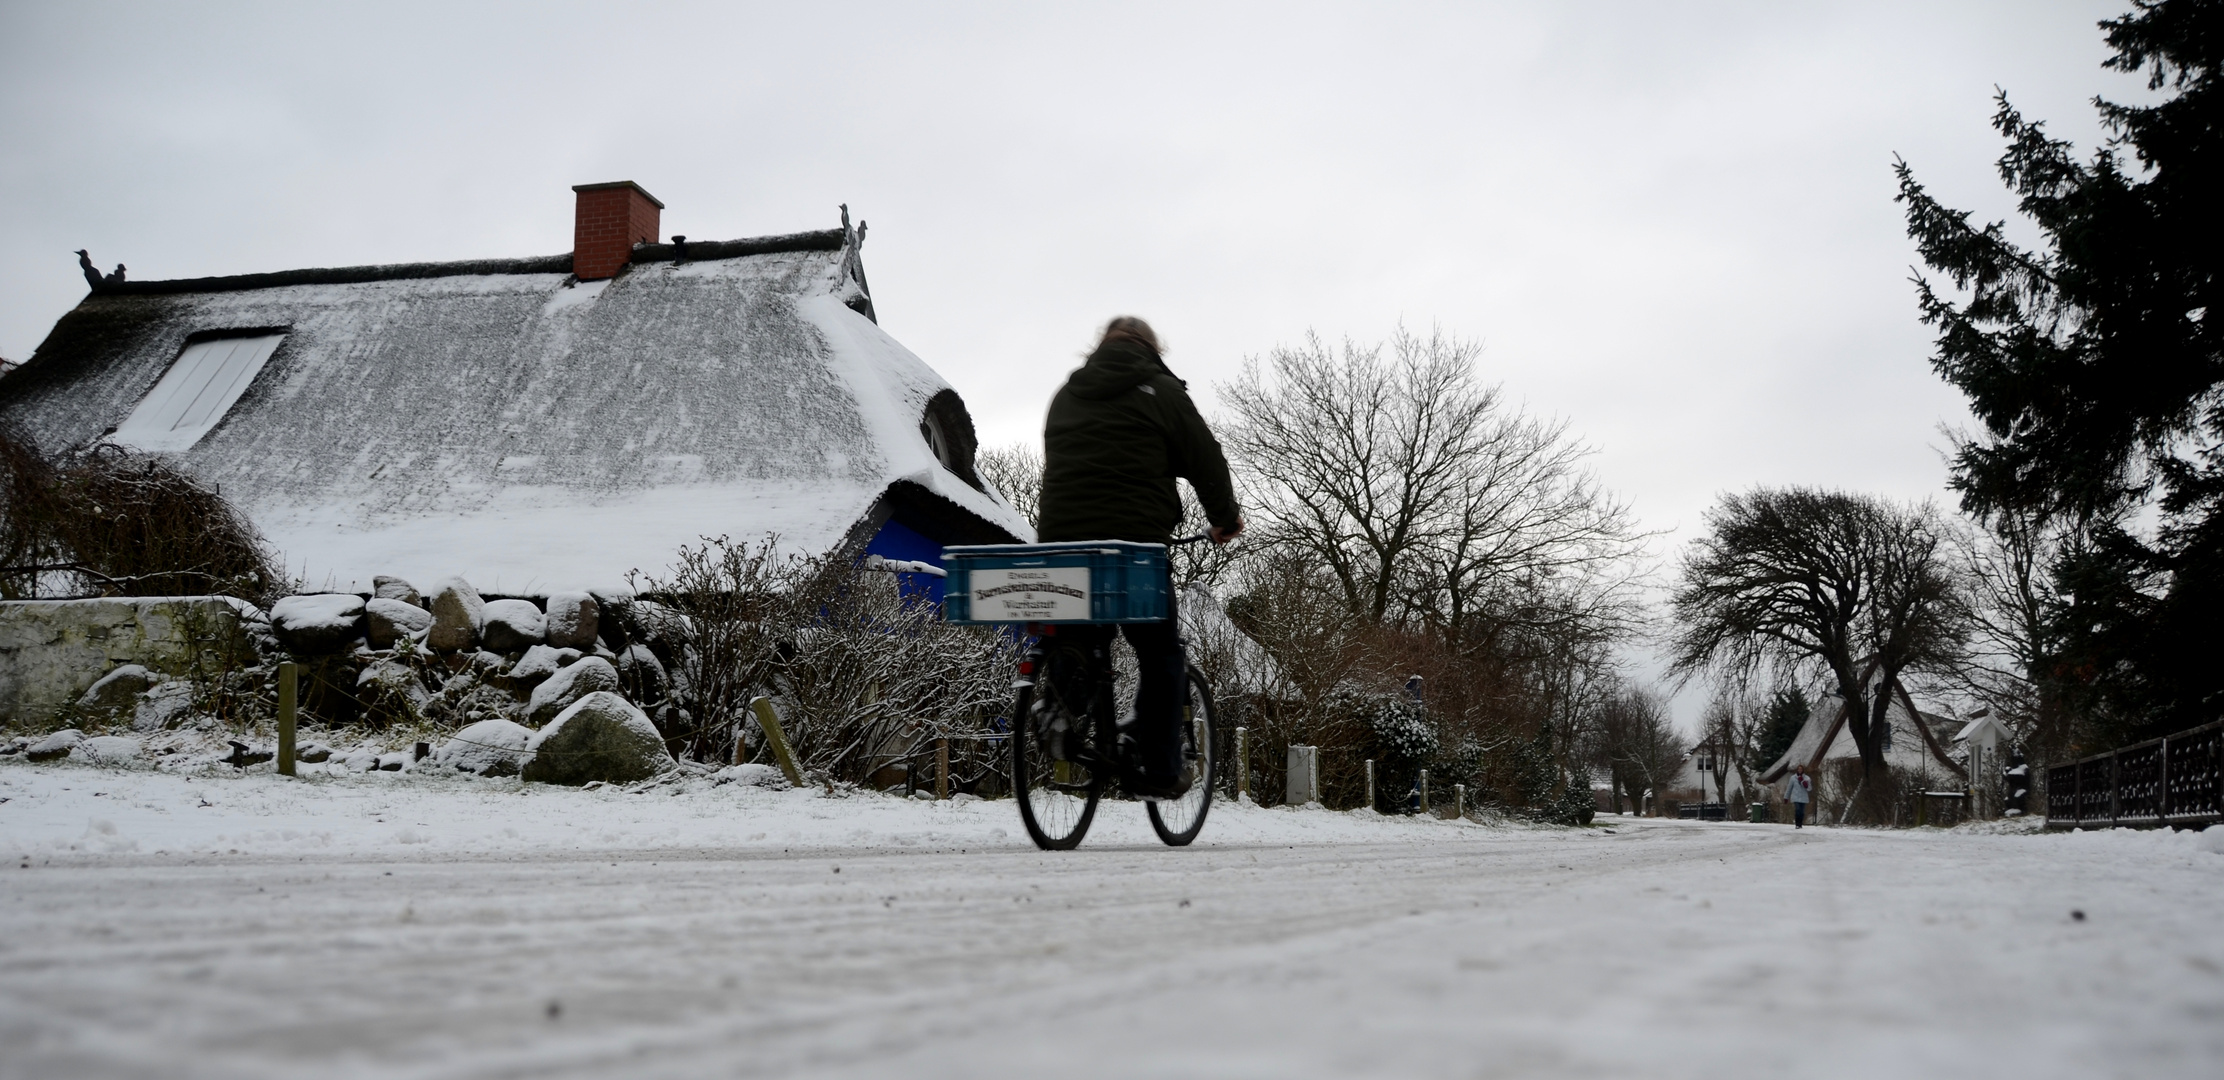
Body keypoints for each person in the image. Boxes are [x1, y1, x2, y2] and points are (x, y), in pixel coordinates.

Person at [1036, 316, 1243, 799]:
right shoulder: (1161, 390)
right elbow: (1205, 458)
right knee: (1160, 650)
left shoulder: (1067, 394)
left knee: (1082, 632)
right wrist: (1224, 518)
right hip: (1132, 542)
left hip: (1062, 543)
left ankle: (1063, 709)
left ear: (1099, 347)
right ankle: (1159, 766)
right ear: (1153, 350)